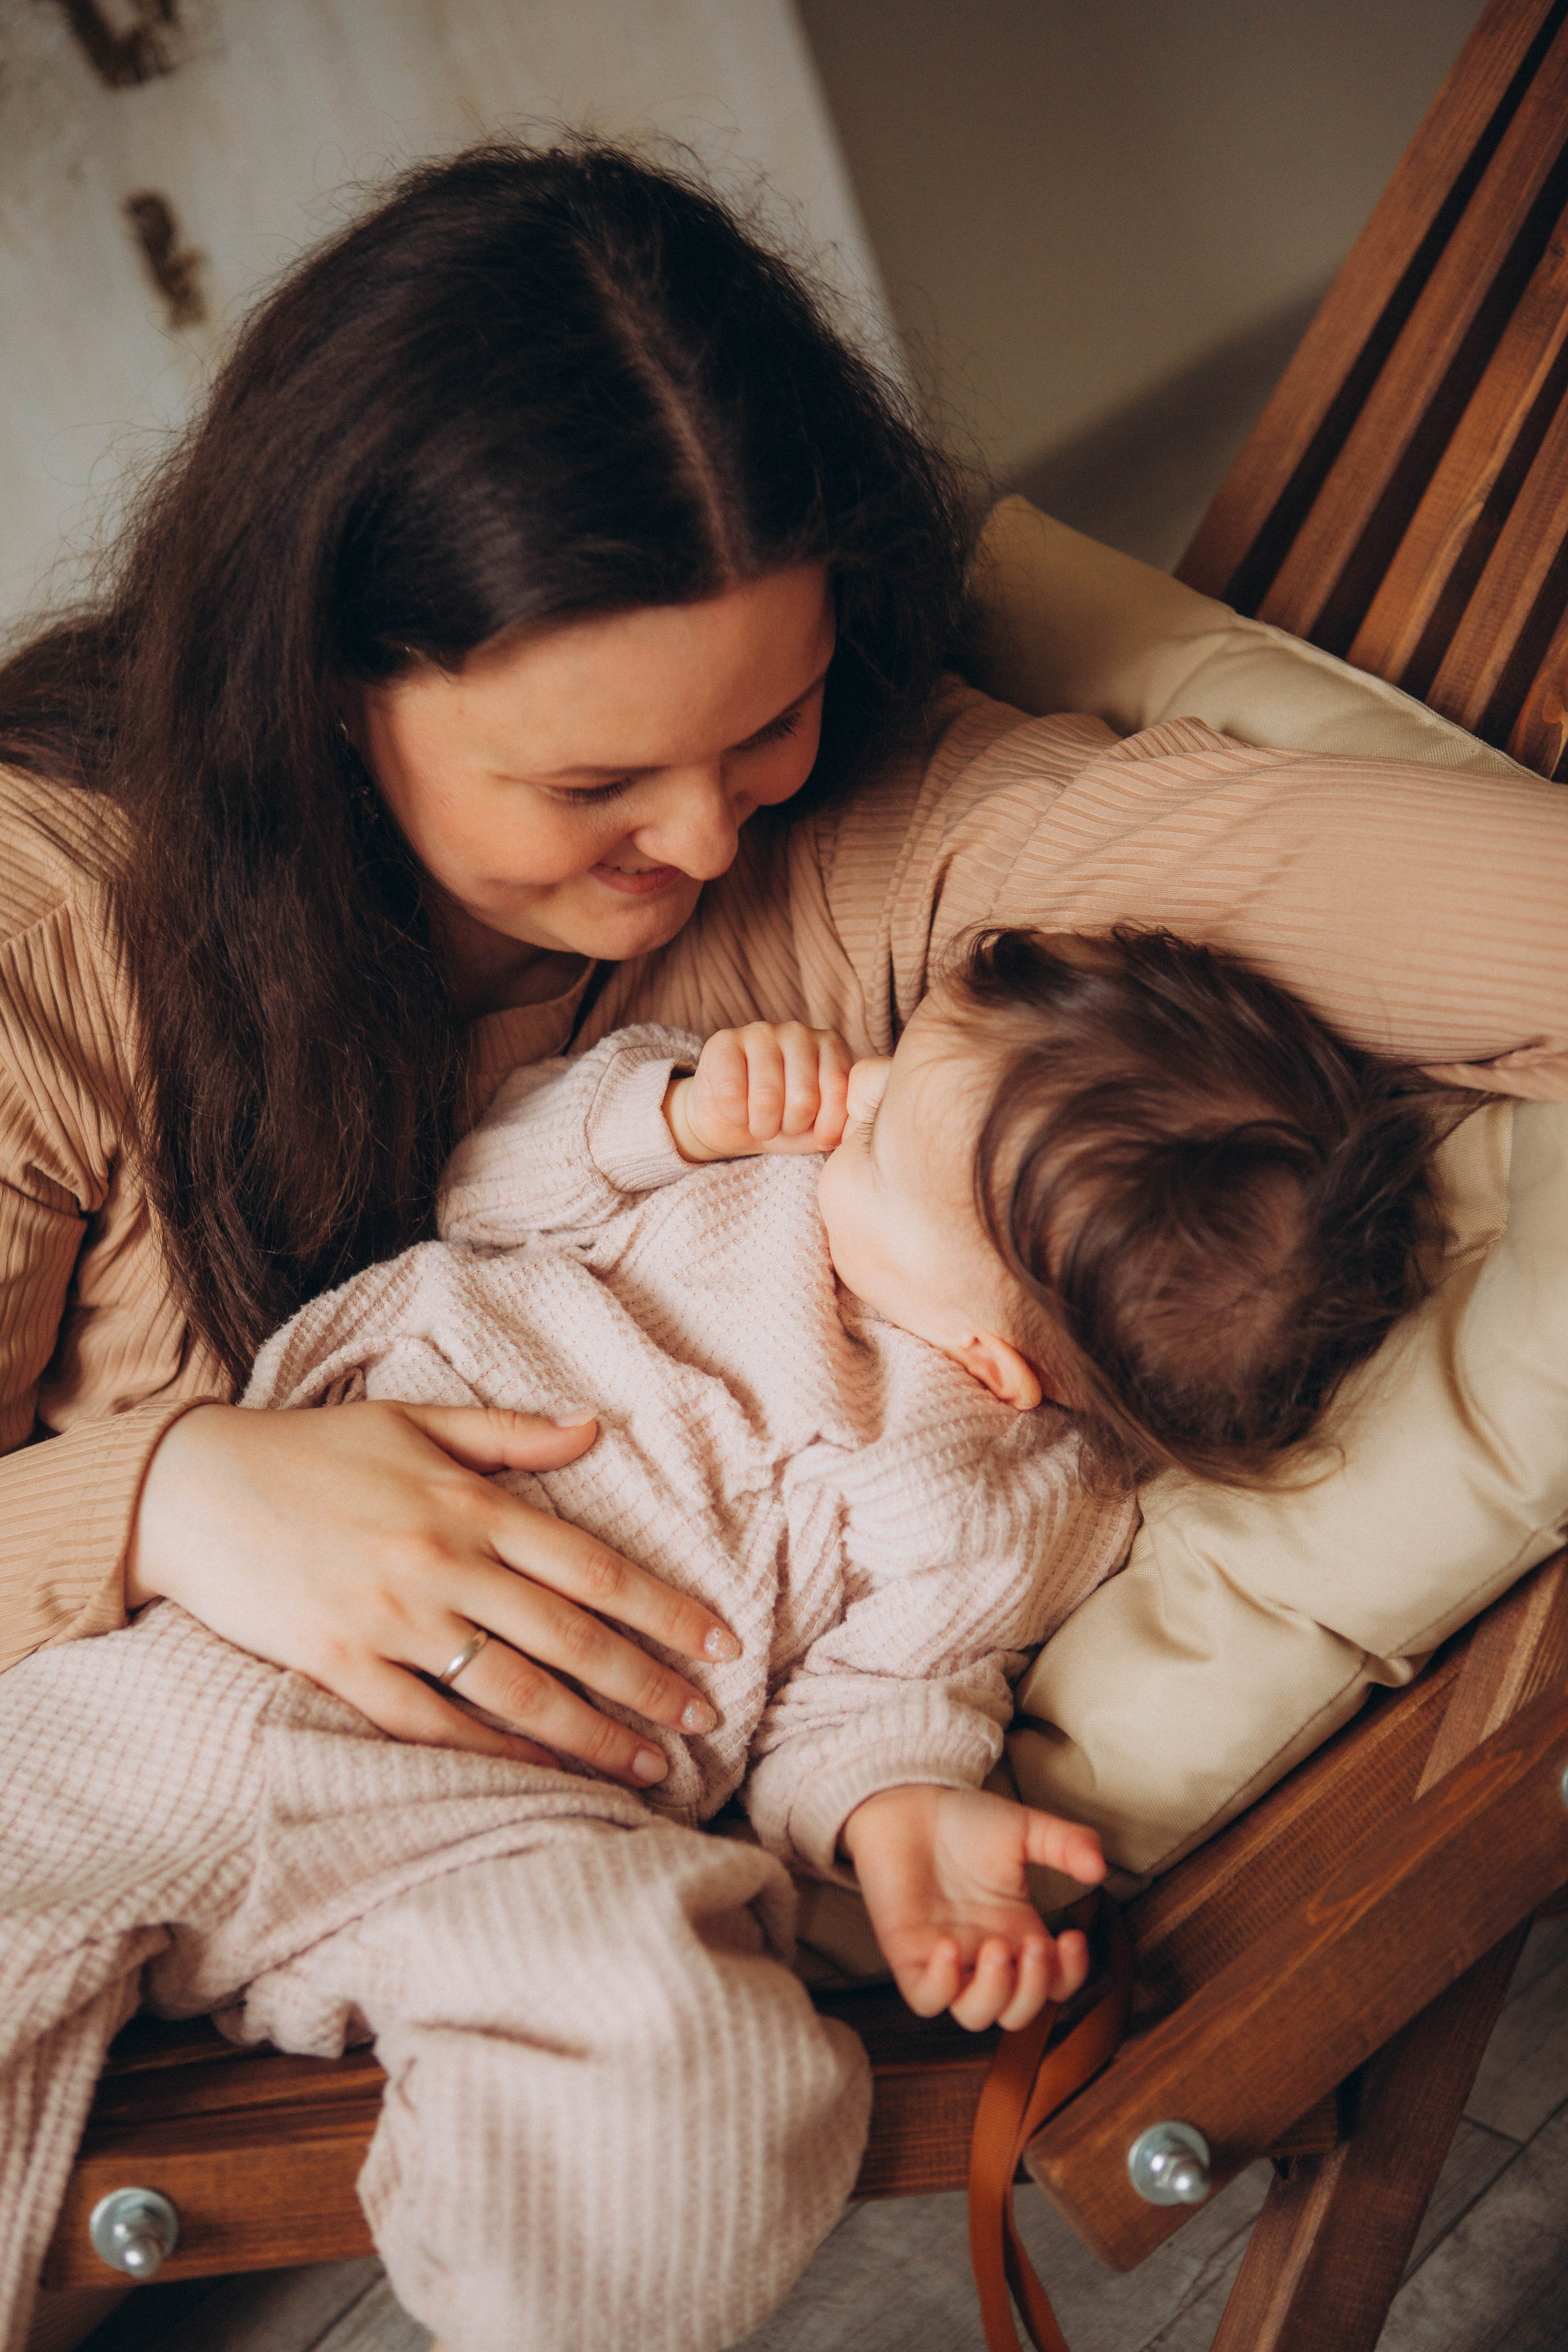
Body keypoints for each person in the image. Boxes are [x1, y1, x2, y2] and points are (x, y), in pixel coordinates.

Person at [2, 138, 1566, 2352]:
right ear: (331, 687)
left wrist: (894, 1813)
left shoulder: (902, 898)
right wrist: (165, 1499)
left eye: (773, 716)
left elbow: (1503, 910)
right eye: (590, 789)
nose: (705, 835)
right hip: (109, 1721)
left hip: (499, 1846)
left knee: (718, 2091)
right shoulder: (57, 937)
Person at [244, 923, 1450, 2024]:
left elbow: (877, 1696)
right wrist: (672, 1117)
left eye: (879, 1136)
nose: (852, 1094)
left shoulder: (1008, 1507)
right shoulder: (743, 1165)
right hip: (305, 1536)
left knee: (684, 2029)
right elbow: (479, 1196)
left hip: (519, 1778)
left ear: (988, 1359)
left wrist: (900, 1810)